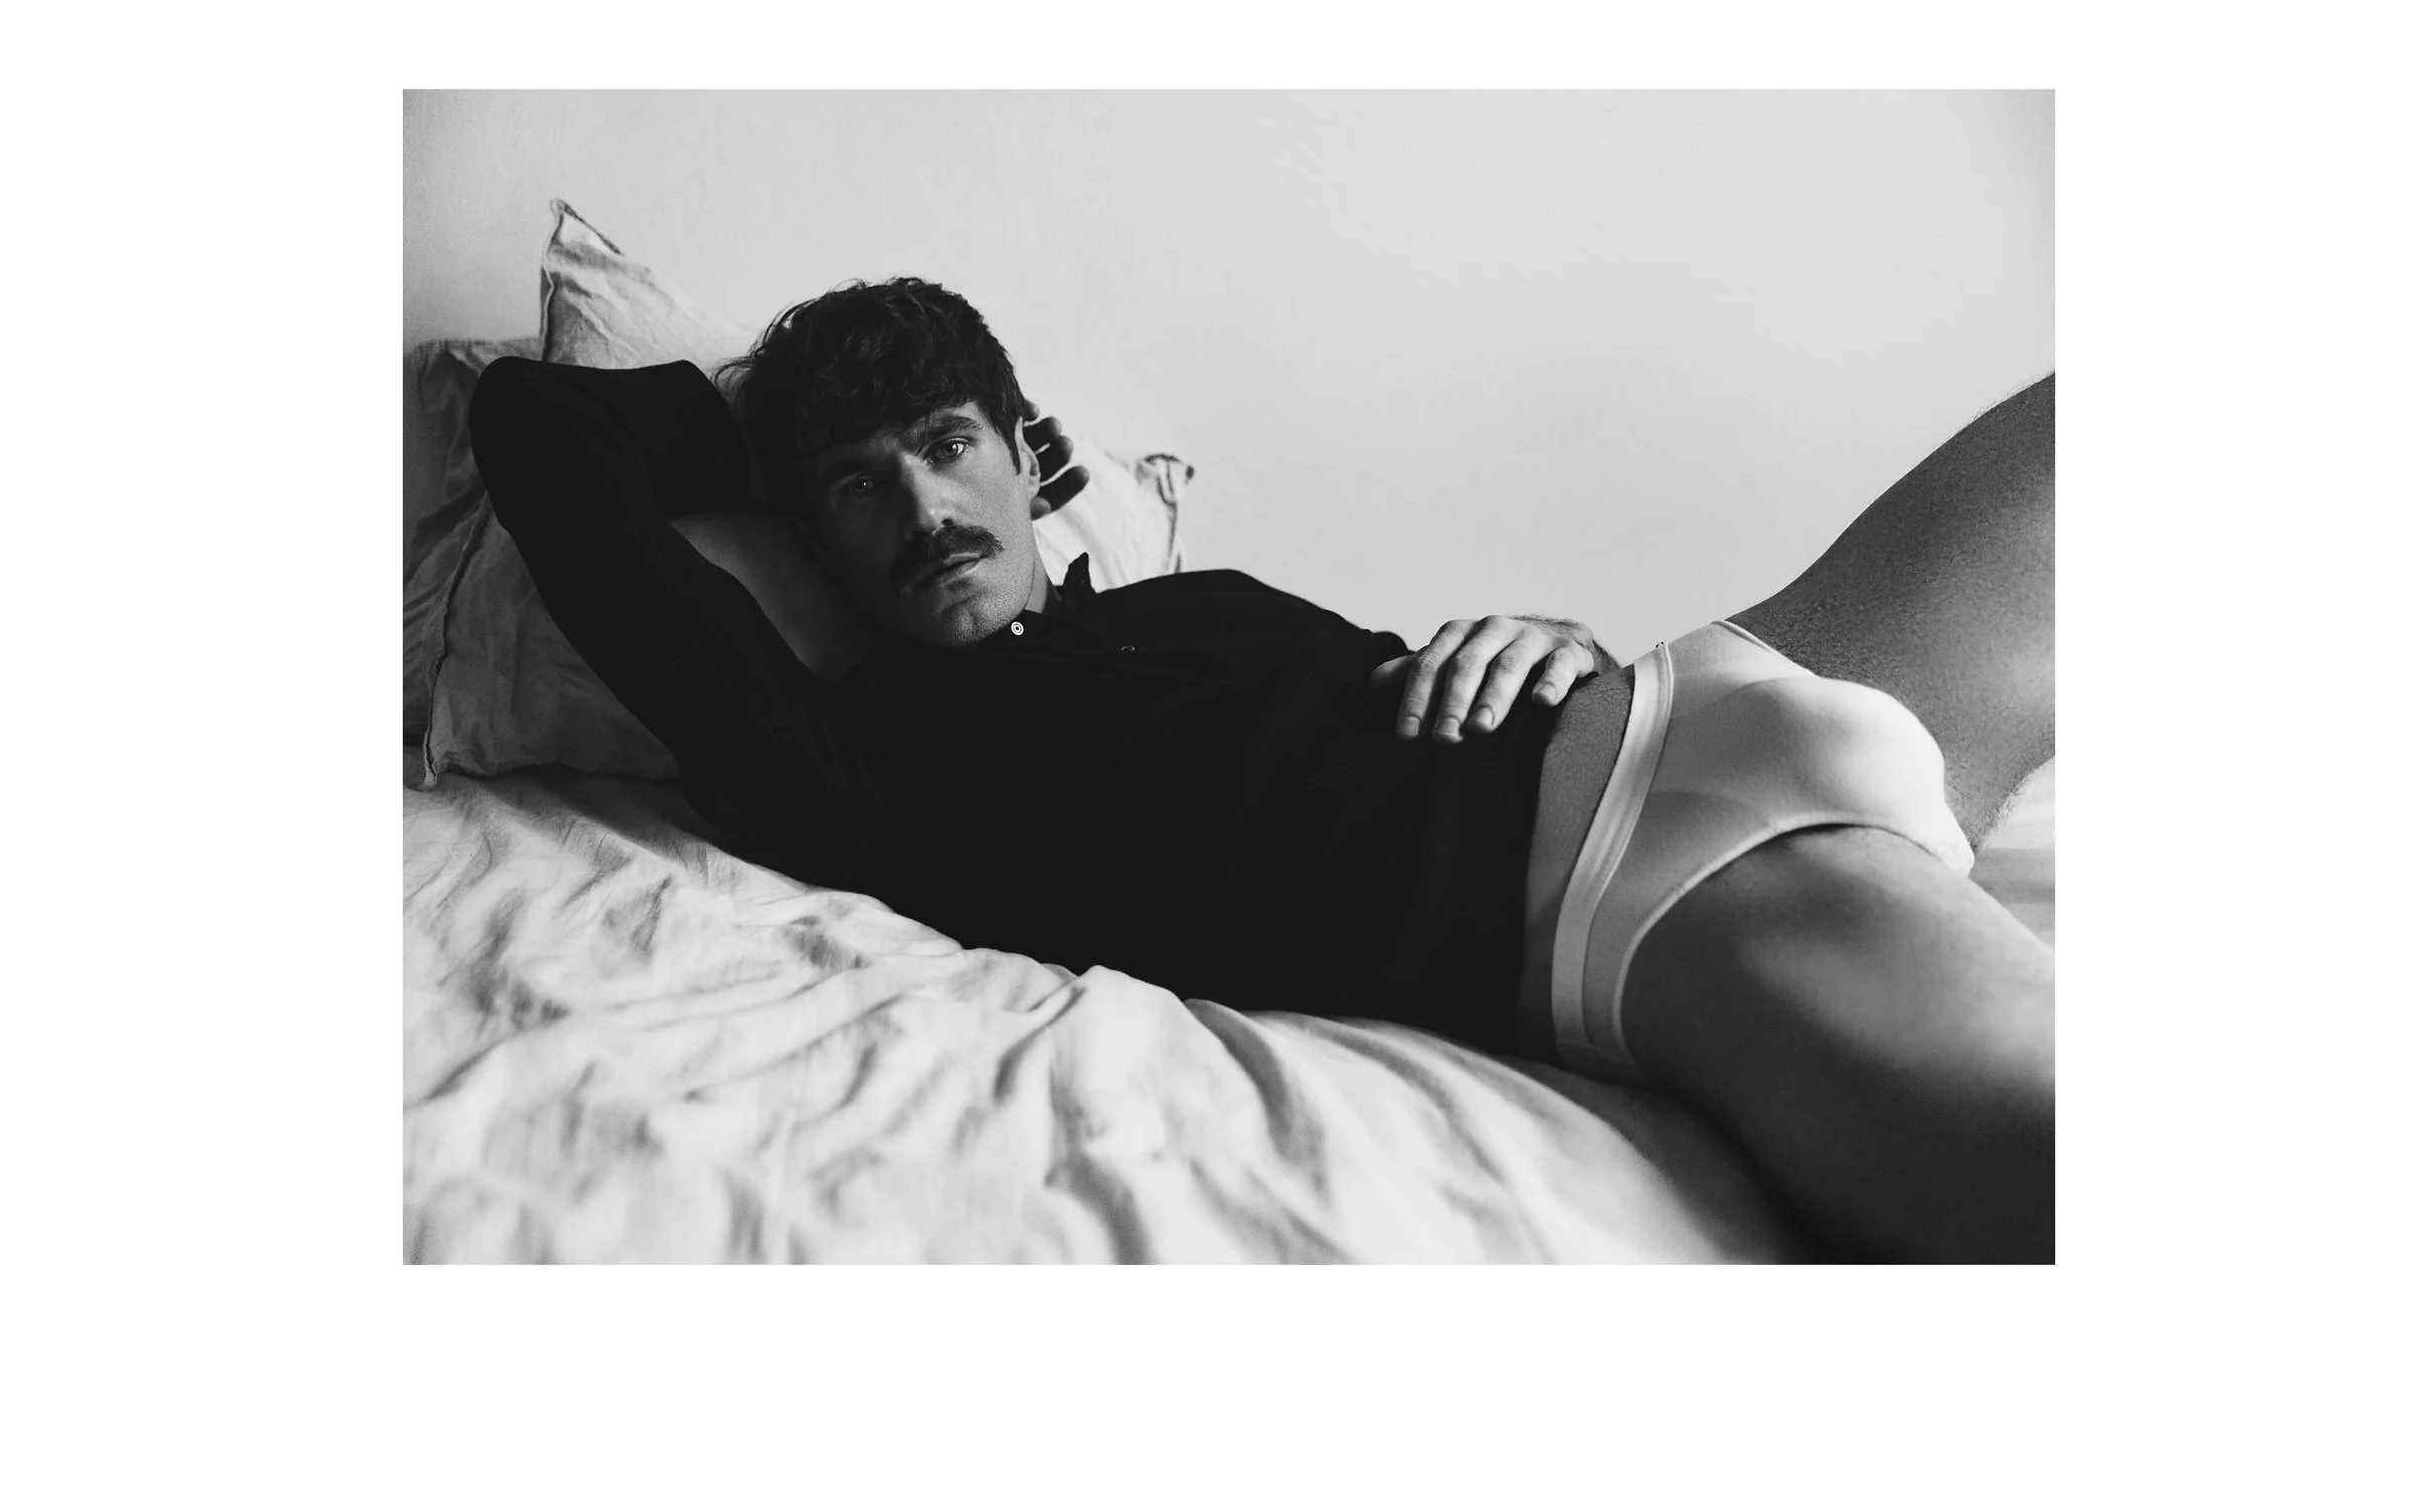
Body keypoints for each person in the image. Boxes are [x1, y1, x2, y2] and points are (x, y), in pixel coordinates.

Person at [470, 278, 2053, 1263]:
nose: (923, 507)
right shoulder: (856, 760)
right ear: (808, 532)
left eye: (946, 443)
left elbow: (1428, 699)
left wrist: (1557, 634)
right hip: (1647, 916)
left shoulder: (1202, 601)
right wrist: (760, 423)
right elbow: (534, 424)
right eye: (855, 486)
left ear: (1026, 454)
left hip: (1711, 681)